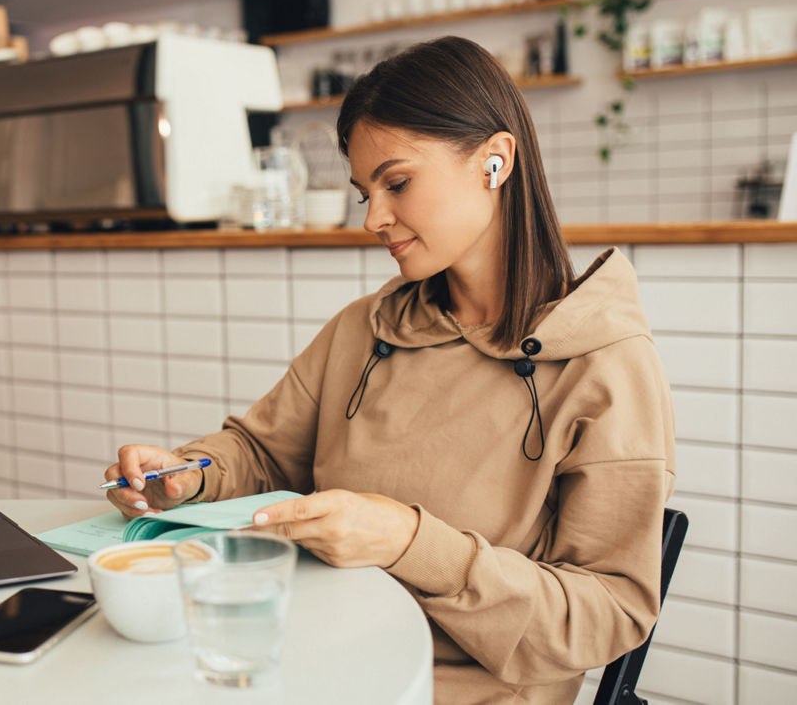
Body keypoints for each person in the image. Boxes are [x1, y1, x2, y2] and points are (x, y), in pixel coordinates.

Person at [103, 36, 676, 703]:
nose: (374, 218)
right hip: (314, 657)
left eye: (397, 182)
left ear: (495, 162)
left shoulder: (607, 366)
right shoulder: (365, 329)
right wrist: (186, 475)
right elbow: (260, 452)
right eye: (363, 192)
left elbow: (607, 614)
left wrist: (410, 541)